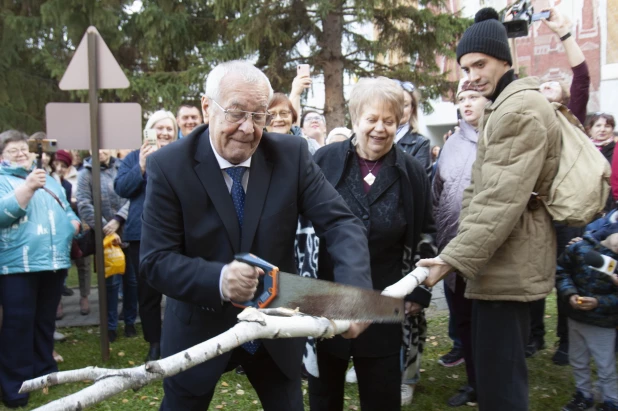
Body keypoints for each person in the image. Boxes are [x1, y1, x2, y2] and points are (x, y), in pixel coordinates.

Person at [139, 60, 372, 411]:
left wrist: (355, 289)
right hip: (198, 327)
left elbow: (341, 223)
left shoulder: (290, 156)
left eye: (259, 115)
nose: (247, 128)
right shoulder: (169, 166)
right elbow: (156, 261)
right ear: (207, 107)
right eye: (235, 113)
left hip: (276, 326)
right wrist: (218, 279)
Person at [418, 8, 561, 411]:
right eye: (465, 67)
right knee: (493, 375)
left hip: (507, 265)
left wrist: (450, 259)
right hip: (495, 263)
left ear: (504, 59)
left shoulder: (517, 109)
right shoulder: (503, 105)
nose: (471, 75)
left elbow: (499, 201)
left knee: (501, 387)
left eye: (480, 64)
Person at [309, 77, 434, 410]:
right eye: (372, 119)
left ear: (399, 122)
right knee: (324, 394)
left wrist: (420, 289)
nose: (380, 129)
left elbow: (427, 232)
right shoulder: (323, 162)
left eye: (389, 121)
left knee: (381, 394)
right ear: (355, 120)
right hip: (326, 295)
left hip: (384, 297)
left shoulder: (412, 173)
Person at [527, 7, 592, 363]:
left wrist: (564, 34)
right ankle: (533, 337)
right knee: (534, 274)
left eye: (550, 84)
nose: (543, 87)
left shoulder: (573, 120)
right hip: (537, 209)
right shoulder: (531, 121)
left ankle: (565, 342)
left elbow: (582, 76)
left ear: (564, 97)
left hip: (568, 212)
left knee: (568, 274)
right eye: (539, 85)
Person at [0, 130, 80, 408]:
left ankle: (44, 372)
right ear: (2, 156)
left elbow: (67, 210)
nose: (21, 153)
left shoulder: (49, 180)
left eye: (24, 149)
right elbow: (2, 213)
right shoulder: (3, 180)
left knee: (44, 322)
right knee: (17, 327)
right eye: (13, 151)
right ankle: (15, 387)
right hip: (17, 266)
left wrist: (73, 224)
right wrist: (27, 187)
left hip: (53, 264)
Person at [433, 79, 487, 407]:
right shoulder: (453, 143)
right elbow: (437, 191)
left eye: (474, 96)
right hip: (452, 247)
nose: (467, 103)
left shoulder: (501, 138)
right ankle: (474, 383)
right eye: (462, 98)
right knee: (464, 321)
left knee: (490, 324)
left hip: (488, 251)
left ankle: (493, 384)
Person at [114, 110, 178, 361]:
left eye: (168, 129)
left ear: (175, 133)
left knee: (179, 288)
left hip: (177, 232)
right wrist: (141, 165)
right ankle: (155, 342)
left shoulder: (180, 155)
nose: (163, 133)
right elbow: (121, 188)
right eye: (158, 128)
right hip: (141, 234)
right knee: (147, 292)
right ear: (149, 131)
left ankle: (178, 335)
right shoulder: (133, 157)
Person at [77, 149, 137, 343]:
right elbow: (84, 203)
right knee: (110, 284)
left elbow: (133, 195)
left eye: (104, 147)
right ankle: (110, 326)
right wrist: (105, 227)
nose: (100, 151)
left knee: (132, 282)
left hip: (128, 231)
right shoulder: (85, 174)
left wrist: (119, 219)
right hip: (105, 238)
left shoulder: (123, 167)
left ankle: (130, 321)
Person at [556, 224, 618, 411]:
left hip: (603, 322)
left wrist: (599, 302)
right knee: (577, 359)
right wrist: (569, 293)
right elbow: (562, 272)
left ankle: (611, 401)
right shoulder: (580, 248)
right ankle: (583, 395)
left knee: (605, 364)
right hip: (575, 318)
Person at [393, 80, 431, 175]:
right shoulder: (375, 137)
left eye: (405, 105)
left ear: (412, 109)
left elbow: (420, 182)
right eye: (395, 104)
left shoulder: (421, 143)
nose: (400, 109)